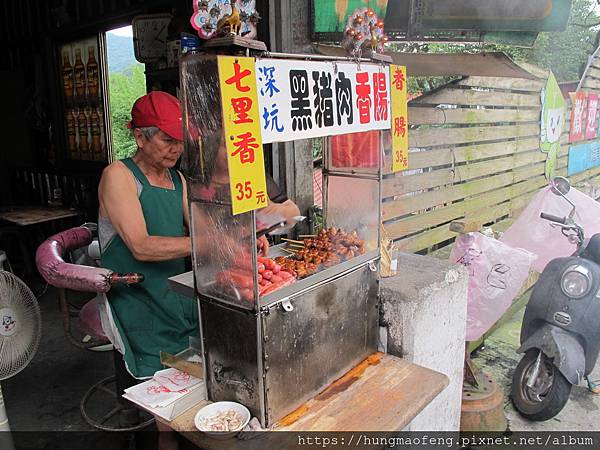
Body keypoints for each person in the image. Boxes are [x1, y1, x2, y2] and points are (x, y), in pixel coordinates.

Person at [98, 91, 197, 382]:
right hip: (136, 300)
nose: (177, 148)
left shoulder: (176, 179)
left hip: (173, 296)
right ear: (141, 138)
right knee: (160, 392)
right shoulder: (119, 175)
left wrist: (239, 239)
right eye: (168, 140)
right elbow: (141, 247)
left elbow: (202, 228)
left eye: (180, 140)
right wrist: (210, 243)